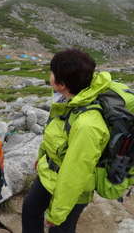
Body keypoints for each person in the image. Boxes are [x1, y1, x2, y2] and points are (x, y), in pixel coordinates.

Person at [22, 48, 111, 233]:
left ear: (61, 83)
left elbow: (75, 175)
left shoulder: (88, 126)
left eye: (52, 72)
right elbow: (54, 133)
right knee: (30, 209)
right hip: (50, 172)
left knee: (61, 229)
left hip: (72, 190)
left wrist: (57, 214)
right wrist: (42, 156)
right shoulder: (66, 99)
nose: (49, 75)